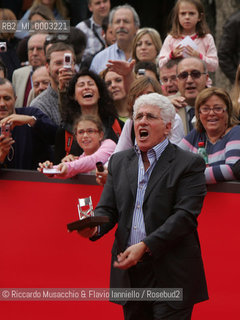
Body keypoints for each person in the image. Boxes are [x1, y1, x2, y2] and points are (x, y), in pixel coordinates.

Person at [78, 92, 208, 319]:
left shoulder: (189, 163)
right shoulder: (119, 162)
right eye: (138, 117)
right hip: (131, 275)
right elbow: (108, 209)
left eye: (151, 117)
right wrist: (94, 227)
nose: (142, 122)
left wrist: (146, 245)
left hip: (172, 273)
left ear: (168, 127)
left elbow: (185, 216)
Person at [179, 87, 240, 184]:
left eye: (218, 108)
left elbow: (234, 169)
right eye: (205, 109)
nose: (211, 113)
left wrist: (190, 176)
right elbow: (171, 162)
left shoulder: (239, 132)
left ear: (228, 111)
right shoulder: (196, 134)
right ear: (199, 114)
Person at [54, 69, 121, 163]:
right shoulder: (64, 130)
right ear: (73, 96)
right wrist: (65, 162)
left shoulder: (116, 125)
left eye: (90, 84)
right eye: (81, 85)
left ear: (100, 93)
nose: (86, 88)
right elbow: (57, 167)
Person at [0, 78, 56, 169]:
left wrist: (33, 121)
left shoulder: (31, 114)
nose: (2, 104)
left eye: (7, 98)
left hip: (34, 180)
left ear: (15, 99)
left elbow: (56, 136)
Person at [38, 114, 115, 178]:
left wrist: (68, 166)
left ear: (101, 135)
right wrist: (50, 170)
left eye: (90, 131)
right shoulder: (78, 160)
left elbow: (94, 160)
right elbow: (63, 174)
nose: (85, 135)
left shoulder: (109, 144)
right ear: (76, 137)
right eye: (81, 132)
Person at [158, 0, 218, 75]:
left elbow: (214, 66)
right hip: (177, 84)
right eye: (183, 14)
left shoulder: (207, 38)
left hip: (201, 83)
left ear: (199, 17)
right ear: (177, 16)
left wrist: (199, 57)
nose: (187, 17)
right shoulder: (171, 39)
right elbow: (160, 65)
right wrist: (171, 56)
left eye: (191, 13)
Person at [30, 42, 76, 126]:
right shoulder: (39, 104)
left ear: (74, 65)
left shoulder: (82, 96)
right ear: (47, 67)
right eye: (58, 63)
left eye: (68, 62)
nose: (64, 68)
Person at [90, 5, 139, 74]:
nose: (121, 25)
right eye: (117, 22)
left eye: (126, 21)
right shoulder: (100, 59)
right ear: (111, 28)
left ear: (136, 28)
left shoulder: (145, 54)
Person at [174, 57, 209, 135]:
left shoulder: (221, 103)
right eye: (183, 75)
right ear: (177, 81)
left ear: (206, 78)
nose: (189, 80)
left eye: (195, 74)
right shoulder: (166, 107)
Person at [12, 33, 48, 108]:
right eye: (31, 49)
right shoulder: (18, 74)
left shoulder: (54, 73)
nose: (34, 53)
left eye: (39, 49)